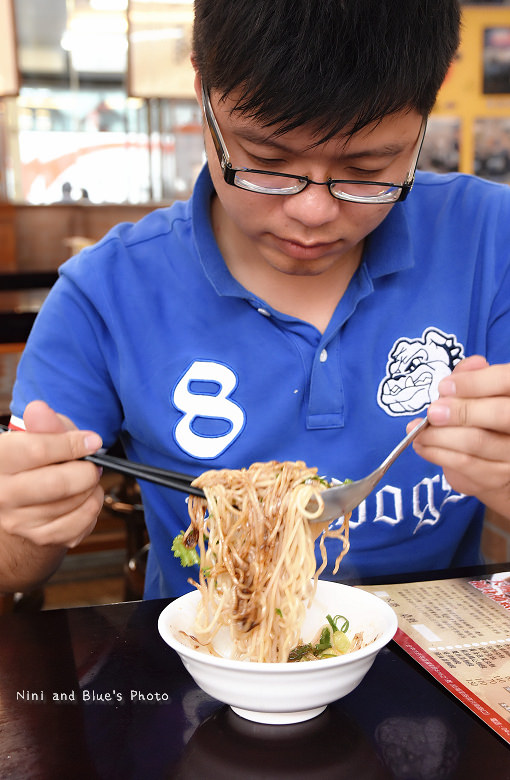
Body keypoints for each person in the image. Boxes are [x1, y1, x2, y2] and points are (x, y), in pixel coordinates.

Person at [1, 0, 509, 599]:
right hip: (209, 667)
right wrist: (25, 526)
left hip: (443, 661)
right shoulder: (104, 291)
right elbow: (15, 568)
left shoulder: (490, 237)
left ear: (431, 103)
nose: (312, 211)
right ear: (202, 87)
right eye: (266, 161)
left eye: (367, 167)